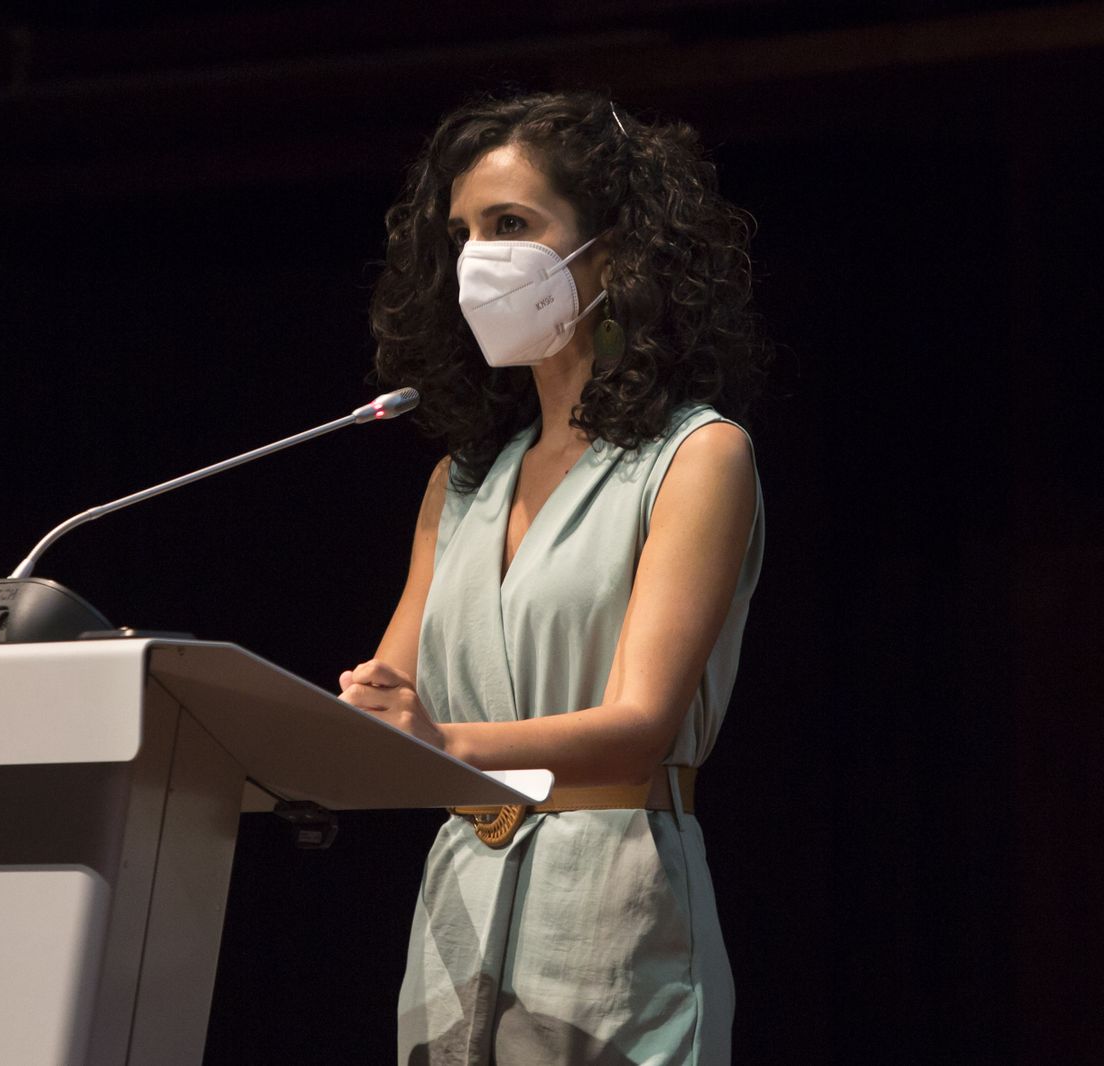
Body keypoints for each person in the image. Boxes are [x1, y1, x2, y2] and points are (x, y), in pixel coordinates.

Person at [336, 90, 768, 1065]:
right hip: (454, 916)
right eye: (462, 233)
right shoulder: (461, 483)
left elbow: (638, 725)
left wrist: (440, 739)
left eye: (511, 225)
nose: (477, 259)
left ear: (612, 252)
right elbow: (390, 696)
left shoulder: (694, 457)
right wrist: (353, 713)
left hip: (609, 911)